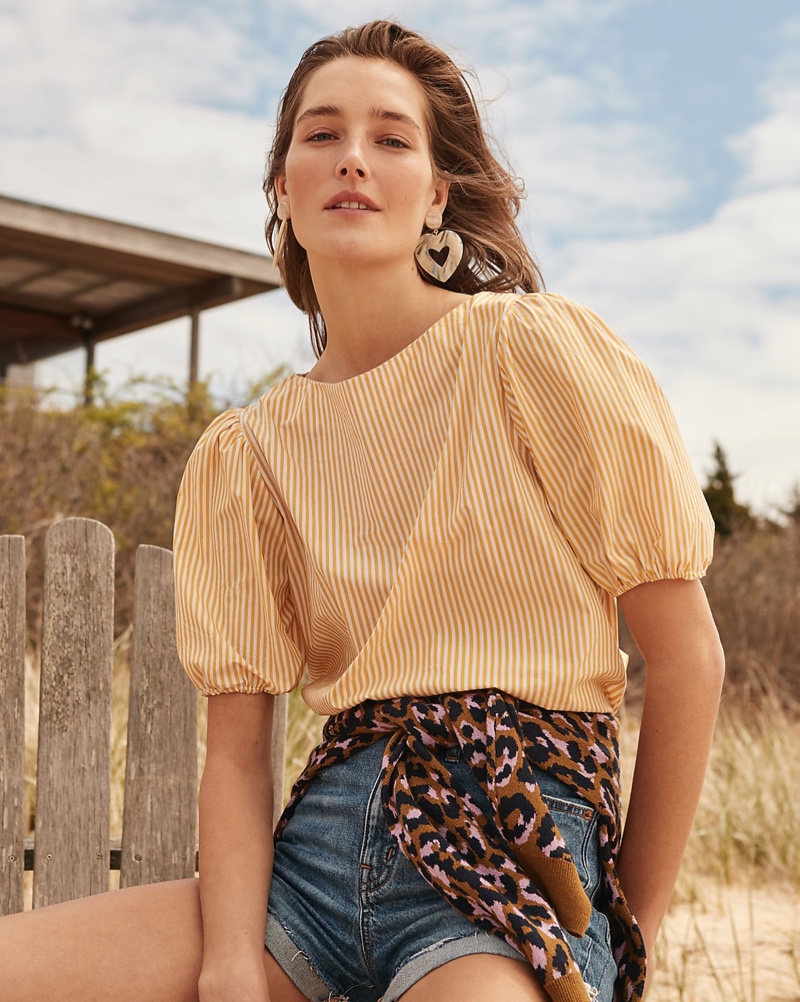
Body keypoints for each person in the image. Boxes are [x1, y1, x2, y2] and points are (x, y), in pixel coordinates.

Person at [0, 19, 724, 1002]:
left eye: (390, 138)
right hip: (306, 870)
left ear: (434, 195)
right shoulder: (249, 452)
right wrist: (224, 966)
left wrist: (616, 939)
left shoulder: (532, 352)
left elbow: (686, 662)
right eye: (321, 134)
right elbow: (238, 754)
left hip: (508, 860)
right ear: (282, 189)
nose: (352, 158)